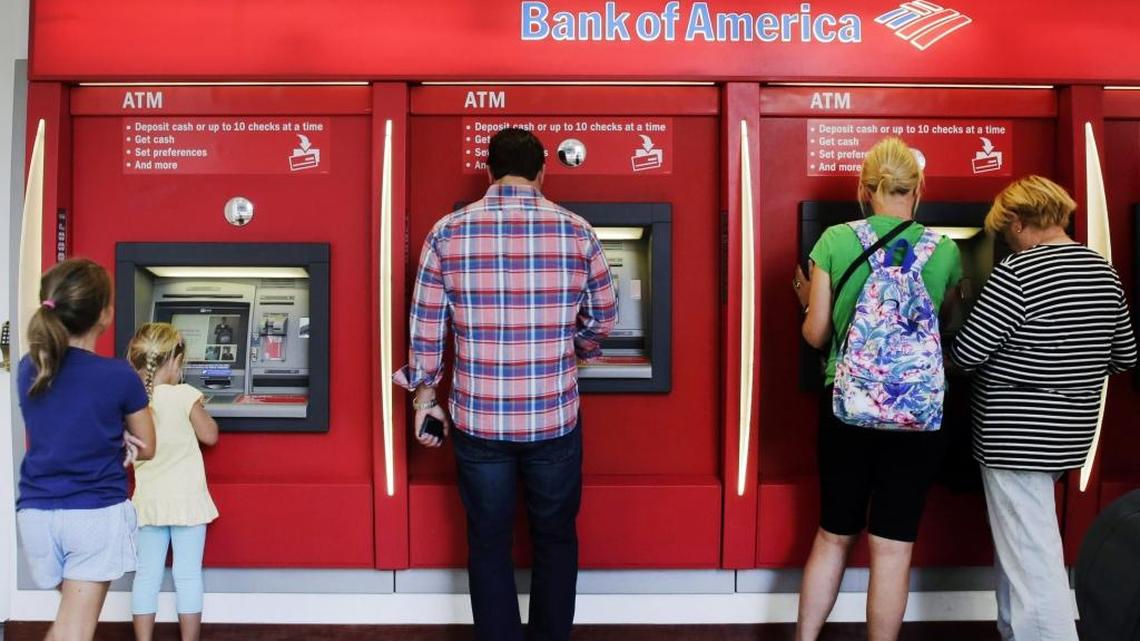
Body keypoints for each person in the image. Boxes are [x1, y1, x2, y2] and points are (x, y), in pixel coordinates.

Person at [394, 127, 617, 641]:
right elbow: (604, 315)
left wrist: (425, 398)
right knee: (555, 538)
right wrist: (575, 349)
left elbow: (425, 328)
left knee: (488, 541)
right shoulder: (577, 231)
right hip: (554, 419)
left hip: (479, 422)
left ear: (489, 171)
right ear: (543, 171)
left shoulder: (447, 233)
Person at [950, 176, 1137, 641]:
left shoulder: (1017, 273)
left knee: (1033, 557)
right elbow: (1125, 356)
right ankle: (1014, 632)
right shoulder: (1102, 271)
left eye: (1004, 232)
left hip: (1013, 434)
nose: (1006, 241)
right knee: (1021, 546)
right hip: (1068, 433)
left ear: (1017, 222)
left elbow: (968, 353)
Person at [791, 137, 962, 641]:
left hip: (847, 406)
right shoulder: (946, 250)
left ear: (864, 189)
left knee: (833, 535)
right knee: (892, 547)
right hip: (916, 414)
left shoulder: (834, 240)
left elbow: (816, 335)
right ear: (919, 188)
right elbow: (947, 324)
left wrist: (806, 301)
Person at [15, 258, 156, 641]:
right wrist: (120, 436)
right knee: (74, 629)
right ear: (105, 315)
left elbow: (64, 423)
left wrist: (108, 432)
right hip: (92, 513)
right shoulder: (119, 375)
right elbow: (147, 447)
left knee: (68, 623)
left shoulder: (30, 368)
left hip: (37, 514)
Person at [127, 322, 220, 641]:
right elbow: (210, 435)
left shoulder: (135, 400)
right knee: (188, 576)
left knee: (146, 576)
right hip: (187, 501)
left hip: (149, 502)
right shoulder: (185, 395)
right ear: (176, 361)